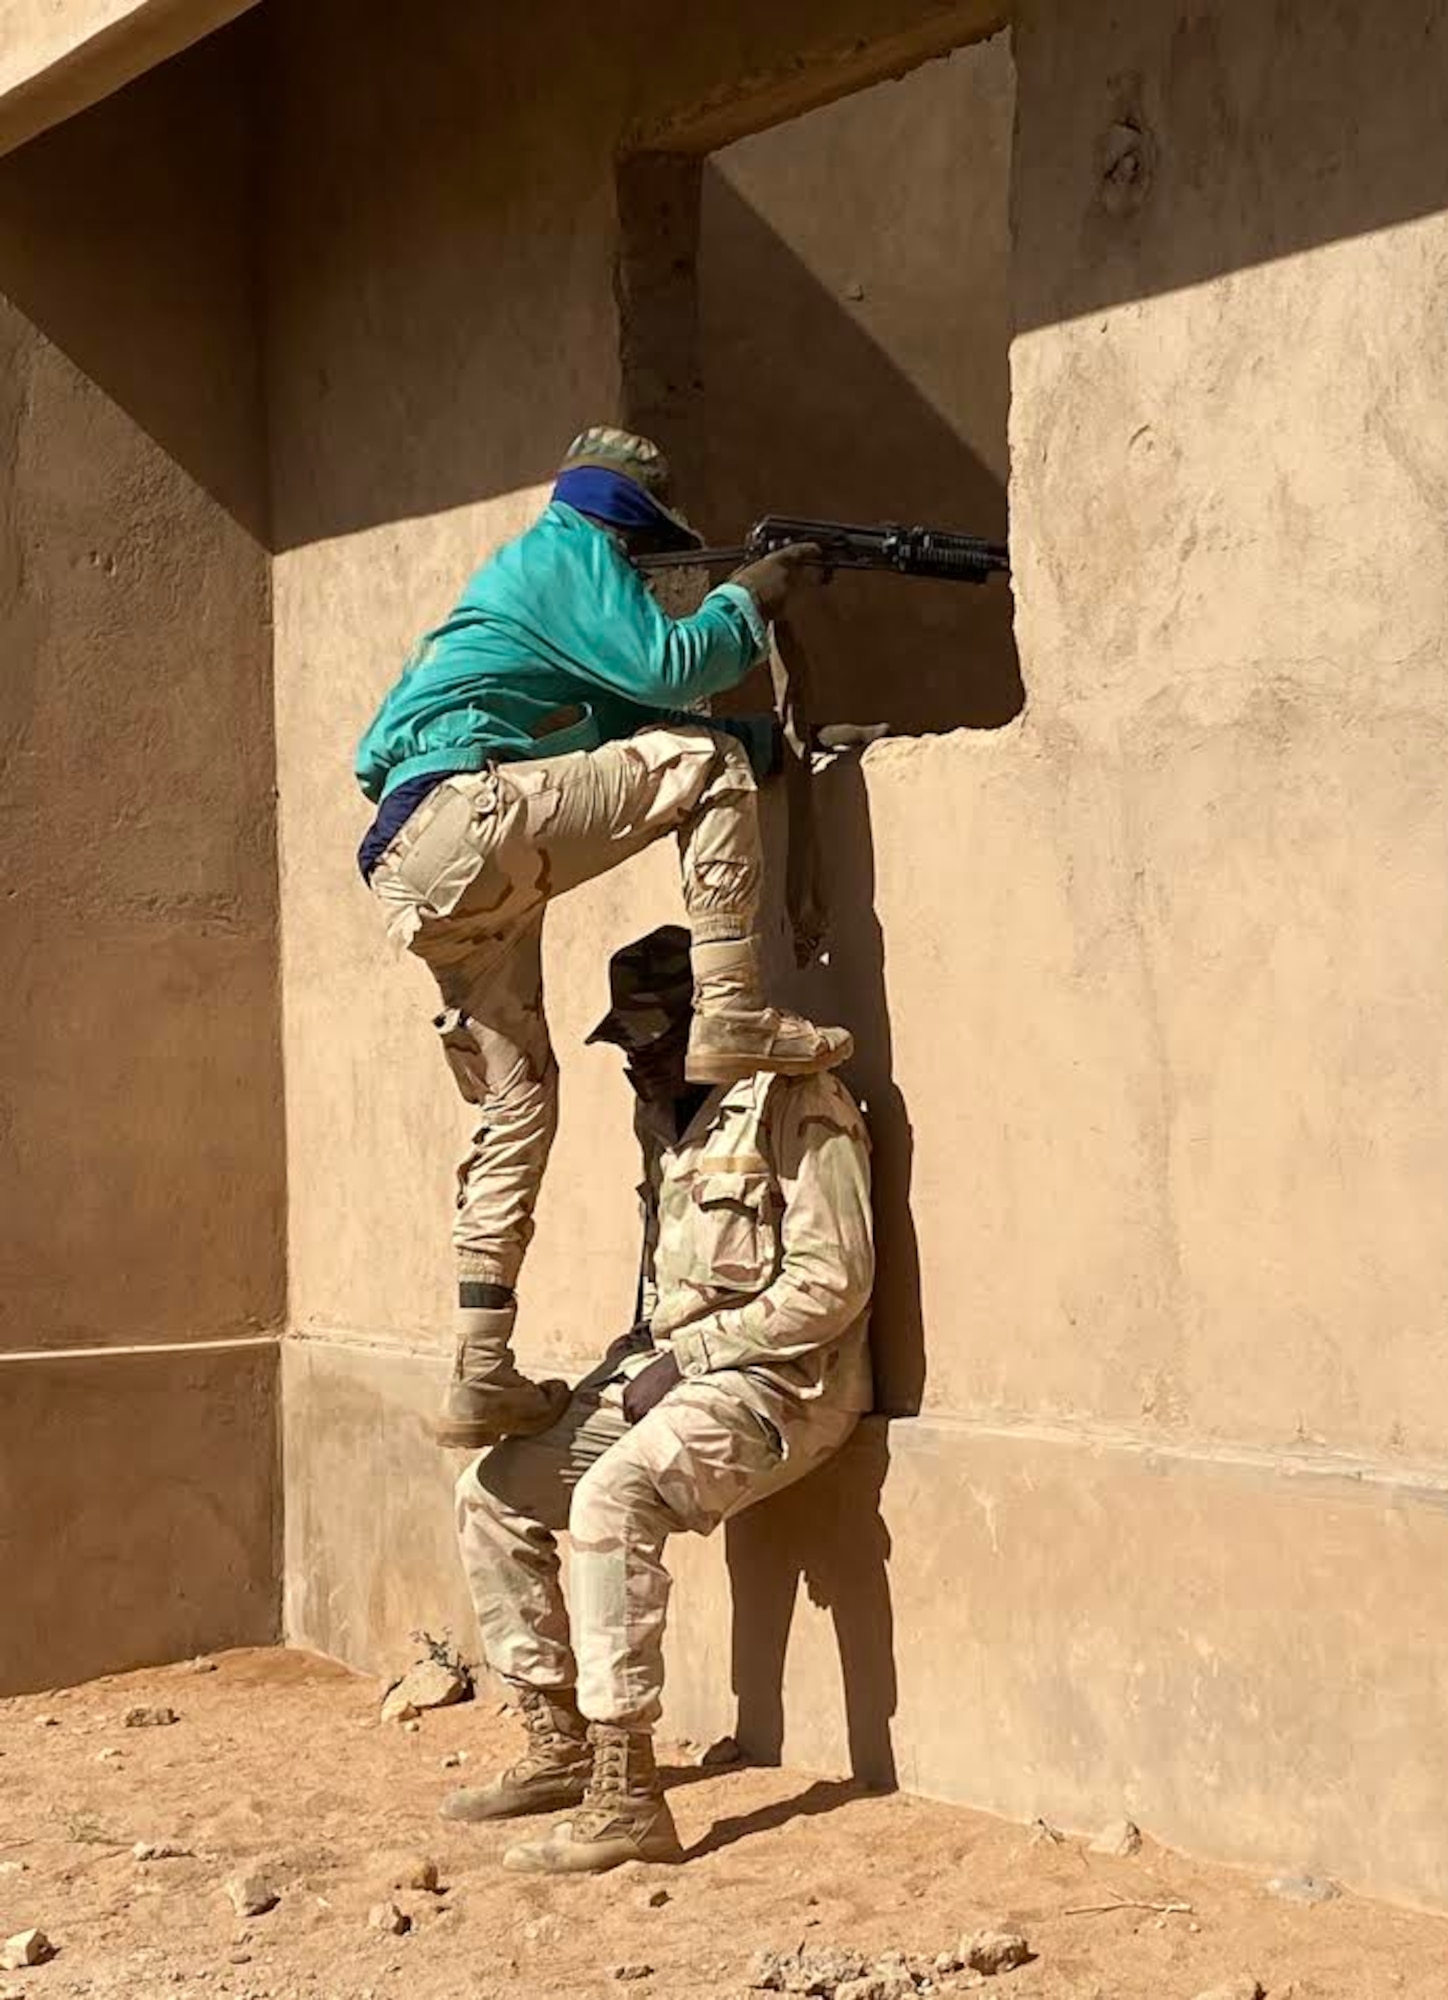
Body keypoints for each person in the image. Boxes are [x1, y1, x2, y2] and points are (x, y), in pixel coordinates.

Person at [355, 427, 852, 1448]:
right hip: (466, 813)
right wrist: (749, 597)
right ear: (634, 530)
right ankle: (736, 1015)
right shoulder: (568, 549)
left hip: (418, 860)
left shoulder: (531, 598)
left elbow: (621, 732)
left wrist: (782, 747)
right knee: (705, 765)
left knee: (516, 1104)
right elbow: (671, 674)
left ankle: (478, 1370)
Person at [443, 925, 874, 1873]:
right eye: (627, 1043)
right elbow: (659, 1287)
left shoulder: (797, 1101)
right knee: (494, 1491)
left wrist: (697, 1355)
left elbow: (833, 1284)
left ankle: (625, 1789)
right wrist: (602, 1377)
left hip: (785, 1386)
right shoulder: (662, 1119)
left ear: (709, 1021)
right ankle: (556, 1743)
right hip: (672, 1374)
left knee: (612, 1497)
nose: (637, 1061)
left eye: (653, 1037)